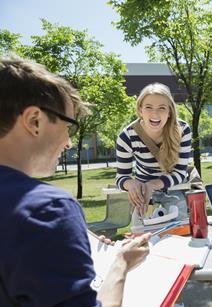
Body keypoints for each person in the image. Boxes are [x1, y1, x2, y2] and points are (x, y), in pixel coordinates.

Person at [0, 56, 151, 306]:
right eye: (69, 126)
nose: (69, 142)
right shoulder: (47, 210)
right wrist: (121, 264)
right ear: (34, 121)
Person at [115, 83, 191, 219]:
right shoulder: (126, 137)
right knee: (143, 234)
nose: (155, 114)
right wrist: (131, 184)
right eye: (148, 107)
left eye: (162, 108)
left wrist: (153, 185)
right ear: (140, 110)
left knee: (179, 231)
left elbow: (180, 173)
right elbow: (121, 178)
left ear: (169, 112)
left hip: (175, 189)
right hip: (143, 194)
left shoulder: (183, 130)